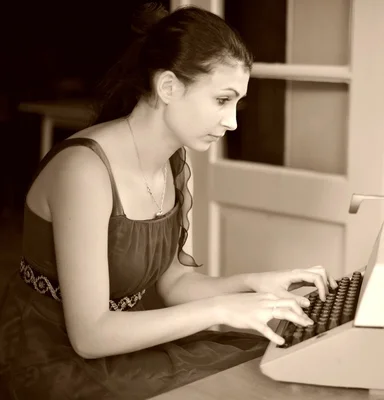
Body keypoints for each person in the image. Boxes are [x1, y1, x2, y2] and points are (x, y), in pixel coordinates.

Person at [0, 3, 338, 399]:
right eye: (221, 100)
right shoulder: (84, 171)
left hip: (126, 339)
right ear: (168, 87)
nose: (232, 122)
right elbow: (90, 335)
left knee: (277, 367)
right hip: (54, 357)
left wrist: (251, 285)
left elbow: (174, 282)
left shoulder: (173, 161)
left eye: (236, 103)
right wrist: (220, 312)